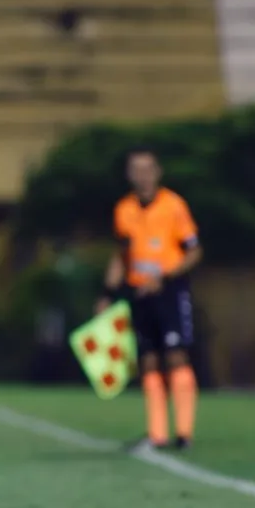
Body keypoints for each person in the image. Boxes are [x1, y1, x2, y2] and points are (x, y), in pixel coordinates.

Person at [97, 148, 202, 450]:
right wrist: (107, 292)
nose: (142, 175)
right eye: (136, 169)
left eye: (147, 169)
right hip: (138, 292)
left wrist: (165, 277)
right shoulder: (124, 210)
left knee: (176, 355)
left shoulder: (174, 206)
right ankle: (157, 434)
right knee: (148, 360)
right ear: (129, 175)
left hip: (170, 291)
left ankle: (184, 433)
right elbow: (122, 254)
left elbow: (194, 251)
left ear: (157, 172)